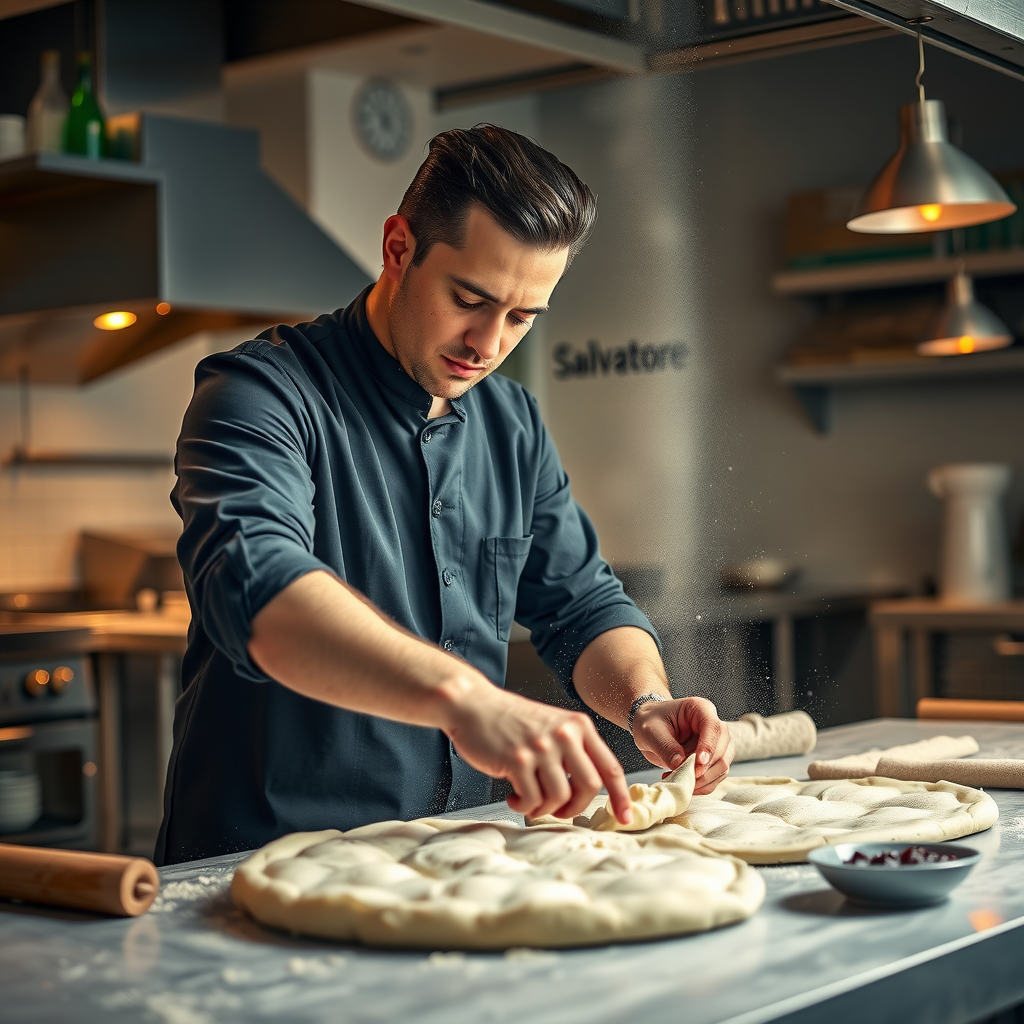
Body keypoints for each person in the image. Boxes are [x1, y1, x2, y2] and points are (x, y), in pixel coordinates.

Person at [155, 125, 733, 866]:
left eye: (522, 317)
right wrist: (468, 701)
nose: (489, 343)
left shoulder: (512, 423)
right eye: (470, 298)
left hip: (456, 857)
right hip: (264, 860)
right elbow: (259, 589)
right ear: (399, 248)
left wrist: (645, 702)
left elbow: (581, 604)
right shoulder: (260, 393)